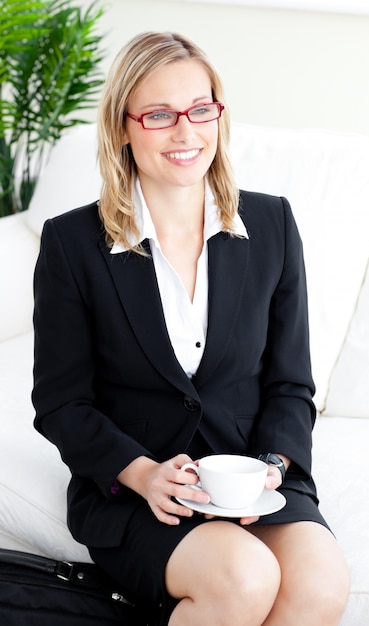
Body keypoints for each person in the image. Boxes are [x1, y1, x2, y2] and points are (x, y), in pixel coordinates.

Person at [32, 31, 350, 626]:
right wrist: (143, 473)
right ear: (123, 127)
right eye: (159, 115)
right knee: (243, 579)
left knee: (320, 587)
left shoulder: (272, 224)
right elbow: (60, 404)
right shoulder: (72, 244)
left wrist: (270, 470)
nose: (186, 132)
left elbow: (290, 385)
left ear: (218, 113)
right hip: (136, 489)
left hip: (250, 480)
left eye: (201, 109)